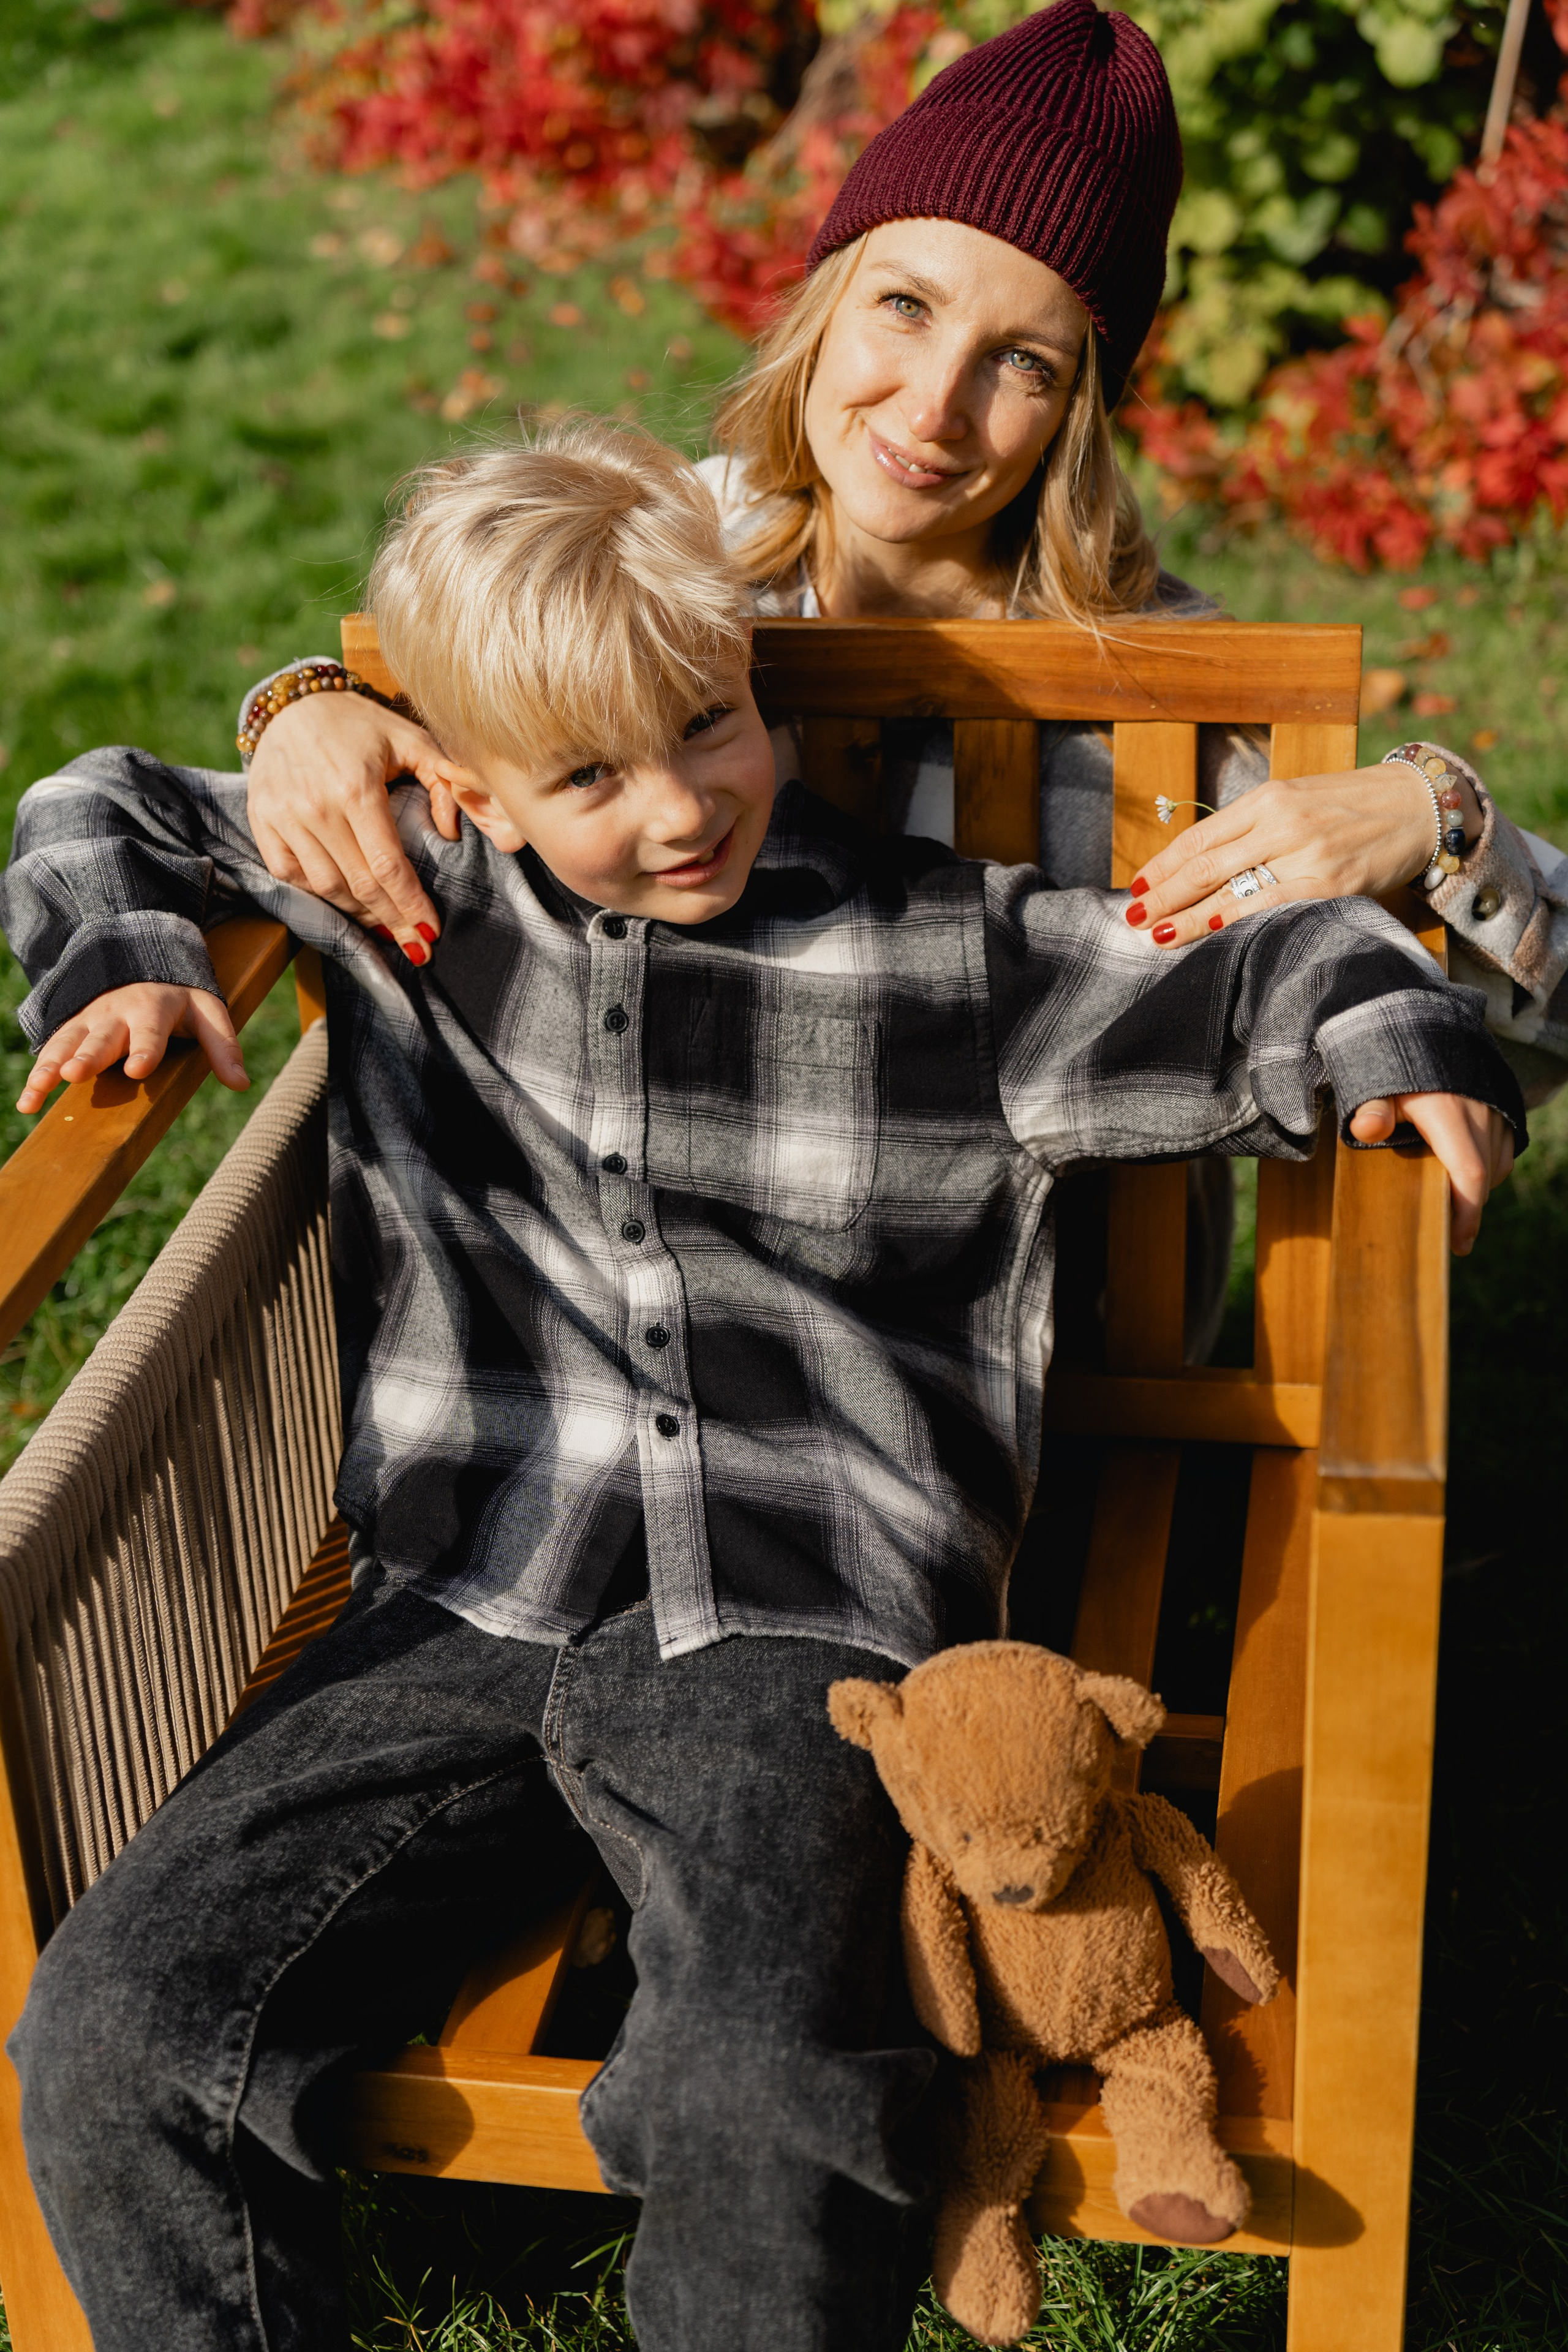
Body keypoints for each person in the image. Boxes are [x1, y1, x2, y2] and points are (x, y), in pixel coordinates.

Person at [1, 418, 1522, 2352]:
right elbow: (95, 799)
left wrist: (1396, 1034)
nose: (680, 805)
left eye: (712, 724)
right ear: (463, 781)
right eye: (589, 778)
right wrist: (126, 959)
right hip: (466, 1583)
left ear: (746, 674)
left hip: (803, 1627)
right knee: (117, 2029)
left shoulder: (943, 957)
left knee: (756, 2089)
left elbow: (1249, 971)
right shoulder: (418, 891)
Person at [233, 0, 1567, 1112]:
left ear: (1078, 411)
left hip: (1034, 1337)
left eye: (1022, 364)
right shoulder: (676, 557)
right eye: (903, 306)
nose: (932, 409)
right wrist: (306, 706)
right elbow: (484, 708)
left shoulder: (1158, 688)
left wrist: (1437, 818)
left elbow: (1500, 1028)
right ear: (826, 302)